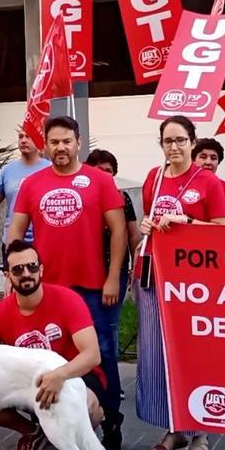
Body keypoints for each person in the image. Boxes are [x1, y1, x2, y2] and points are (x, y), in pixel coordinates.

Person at [9, 116, 126, 450]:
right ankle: (50, 425)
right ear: (46, 145)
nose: (61, 147)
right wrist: (14, 272)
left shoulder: (100, 181)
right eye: (54, 142)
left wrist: (113, 276)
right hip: (46, 291)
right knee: (47, 357)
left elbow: (118, 230)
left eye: (67, 141)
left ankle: (111, 425)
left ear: (78, 143)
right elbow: (15, 233)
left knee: (102, 356)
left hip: (92, 287)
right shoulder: (32, 184)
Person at [136, 115, 225, 450]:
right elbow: (150, 220)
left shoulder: (208, 182)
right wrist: (147, 225)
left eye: (180, 140)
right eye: (167, 141)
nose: (173, 147)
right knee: (158, 355)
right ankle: (173, 427)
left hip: (195, 284)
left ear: (193, 142)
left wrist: (188, 223)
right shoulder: (153, 178)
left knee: (194, 353)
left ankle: (200, 432)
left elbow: (224, 231)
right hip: (153, 274)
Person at [0, 239, 104, 450]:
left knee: (89, 407)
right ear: (7, 276)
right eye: (17, 269)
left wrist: (60, 375)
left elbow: (92, 355)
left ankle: (76, 446)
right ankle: (32, 432)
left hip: (74, 375)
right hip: (25, 384)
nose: (26, 273)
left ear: (41, 269)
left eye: (32, 267)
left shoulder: (67, 299)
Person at [84, 149, 141, 394]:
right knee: (84, 326)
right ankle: (87, 379)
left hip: (113, 272)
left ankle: (111, 382)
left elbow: (132, 234)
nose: (104, 175)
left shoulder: (121, 198)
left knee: (110, 327)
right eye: (98, 171)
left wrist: (134, 268)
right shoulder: (82, 198)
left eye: (108, 171)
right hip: (84, 273)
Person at [0, 127, 52, 263]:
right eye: (21, 137)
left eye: (28, 137)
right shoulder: (7, 170)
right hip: (12, 241)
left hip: (43, 241)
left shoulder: (50, 169)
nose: (23, 140)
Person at [192, 138, 225, 208]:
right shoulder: (184, 184)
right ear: (193, 160)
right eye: (203, 157)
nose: (208, 162)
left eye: (213, 158)